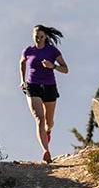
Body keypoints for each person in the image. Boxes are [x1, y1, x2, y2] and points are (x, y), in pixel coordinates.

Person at [19, 24, 69, 162]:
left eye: (41, 37)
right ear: (33, 36)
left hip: (49, 87)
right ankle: (46, 151)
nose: (39, 39)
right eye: (36, 36)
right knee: (39, 118)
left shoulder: (52, 51)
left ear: (45, 37)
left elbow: (66, 69)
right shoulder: (28, 50)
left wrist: (52, 66)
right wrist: (22, 80)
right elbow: (22, 63)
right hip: (32, 86)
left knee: (49, 122)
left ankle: (48, 132)